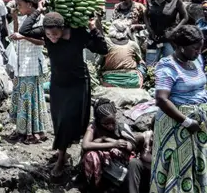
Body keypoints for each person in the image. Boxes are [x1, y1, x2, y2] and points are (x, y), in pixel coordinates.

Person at [20, 11, 108, 178]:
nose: (52, 37)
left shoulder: (78, 35)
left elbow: (102, 48)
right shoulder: (46, 34)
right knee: (58, 119)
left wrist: (94, 28)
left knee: (67, 120)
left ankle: (61, 159)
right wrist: (38, 10)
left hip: (77, 83)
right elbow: (25, 30)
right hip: (58, 84)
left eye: (55, 33)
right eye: (48, 34)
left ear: (63, 28)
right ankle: (63, 152)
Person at [151, 25, 207, 192]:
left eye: (200, 48)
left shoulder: (196, 60)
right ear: (181, 46)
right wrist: (187, 122)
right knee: (179, 168)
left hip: (198, 124)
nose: (199, 52)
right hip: (177, 124)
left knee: (198, 164)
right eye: (195, 48)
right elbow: (161, 99)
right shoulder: (167, 66)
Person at [9, 0, 48, 144]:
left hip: (31, 63)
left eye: (20, 5)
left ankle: (33, 132)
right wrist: (14, 19)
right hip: (21, 64)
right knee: (21, 97)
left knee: (30, 98)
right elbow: (17, 35)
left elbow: (43, 41)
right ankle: (22, 130)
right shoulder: (22, 18)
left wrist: (24, 36)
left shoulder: (41, 19)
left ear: (30, 5)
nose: (17, 7)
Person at [81, 99, 140, 190]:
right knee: (91, 156)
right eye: (106, 124)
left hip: (118, 164)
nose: (110, 126)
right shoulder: (93, 126)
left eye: (112, 122)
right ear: (98, 120)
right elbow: (85, 145)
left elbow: (131, 146)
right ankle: (95, 186)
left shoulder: (121, 127)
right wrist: (113, 143)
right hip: (100, 164)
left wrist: (106, 140)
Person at [144, 0, 188, 66]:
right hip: (154, 38)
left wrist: (174, 31)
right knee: (150, 66)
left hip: (169, 39)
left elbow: (185, 17)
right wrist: (149, 29)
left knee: (170, 65)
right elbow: (146, 15)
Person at [100, 20, 142, 88]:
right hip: (132, 81)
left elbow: (98, 62)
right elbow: (140, 60)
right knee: (141, 66)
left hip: (110, 81)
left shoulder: (106, 42)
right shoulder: (133, 44)